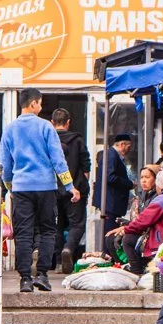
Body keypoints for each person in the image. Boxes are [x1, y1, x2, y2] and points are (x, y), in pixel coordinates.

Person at [0, 88, 78, 293]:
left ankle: (25, 279)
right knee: (47, 231)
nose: (40, 107)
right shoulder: (45, 127)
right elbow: (58, 159)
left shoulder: (10, 129)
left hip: (21, 188)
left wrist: (10, 187)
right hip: (46, 188)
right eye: (40, 103)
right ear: (33, 104)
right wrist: (69, 186)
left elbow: (5, 165)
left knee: (23, 234)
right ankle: (42, 275)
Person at [118, 163, 163, 274]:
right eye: (142, 177)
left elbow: (143, 221)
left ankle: (137, 271)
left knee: (128, 239)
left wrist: (125, 230)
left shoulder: (162, 199)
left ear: (159, 185)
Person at [51, 107, 91, 271]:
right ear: (68, 122)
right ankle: (69, 249)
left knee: (57, 226)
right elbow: (86, 166)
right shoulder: (78, 140)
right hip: (76, 189)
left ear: (52, 123)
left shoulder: (49, 140)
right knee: (77, 224)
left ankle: (58, 261)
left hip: (53, 189)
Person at [96, 131, 134, 231]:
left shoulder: (111, 155)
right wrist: (129, 184)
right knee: (110, 231)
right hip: (110, 202)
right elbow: (110, 177)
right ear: (122, 145)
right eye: (128, 147)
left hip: (111, 202)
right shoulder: (111, 156)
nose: (129, 150)